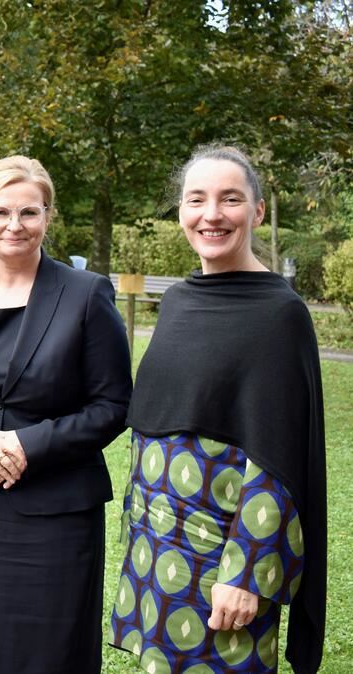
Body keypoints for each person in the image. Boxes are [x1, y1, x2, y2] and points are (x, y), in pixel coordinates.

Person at [110, 145, 327, 673]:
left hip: (219, 556)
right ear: (181, 210)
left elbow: (278, 457)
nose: (211, 215)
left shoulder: (279, 314)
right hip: (154, 543)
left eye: (230, 199)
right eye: (196, 200)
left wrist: (245, 573)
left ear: (255, 211)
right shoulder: (182, 300)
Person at [0, 155, 132, 673]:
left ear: (48, 217)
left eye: (29, 212)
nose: (14, 225)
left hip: (55, 509)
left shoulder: (86, 293)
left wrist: (25, 445)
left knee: (52, 655)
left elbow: (113, 405)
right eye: (0, 212)